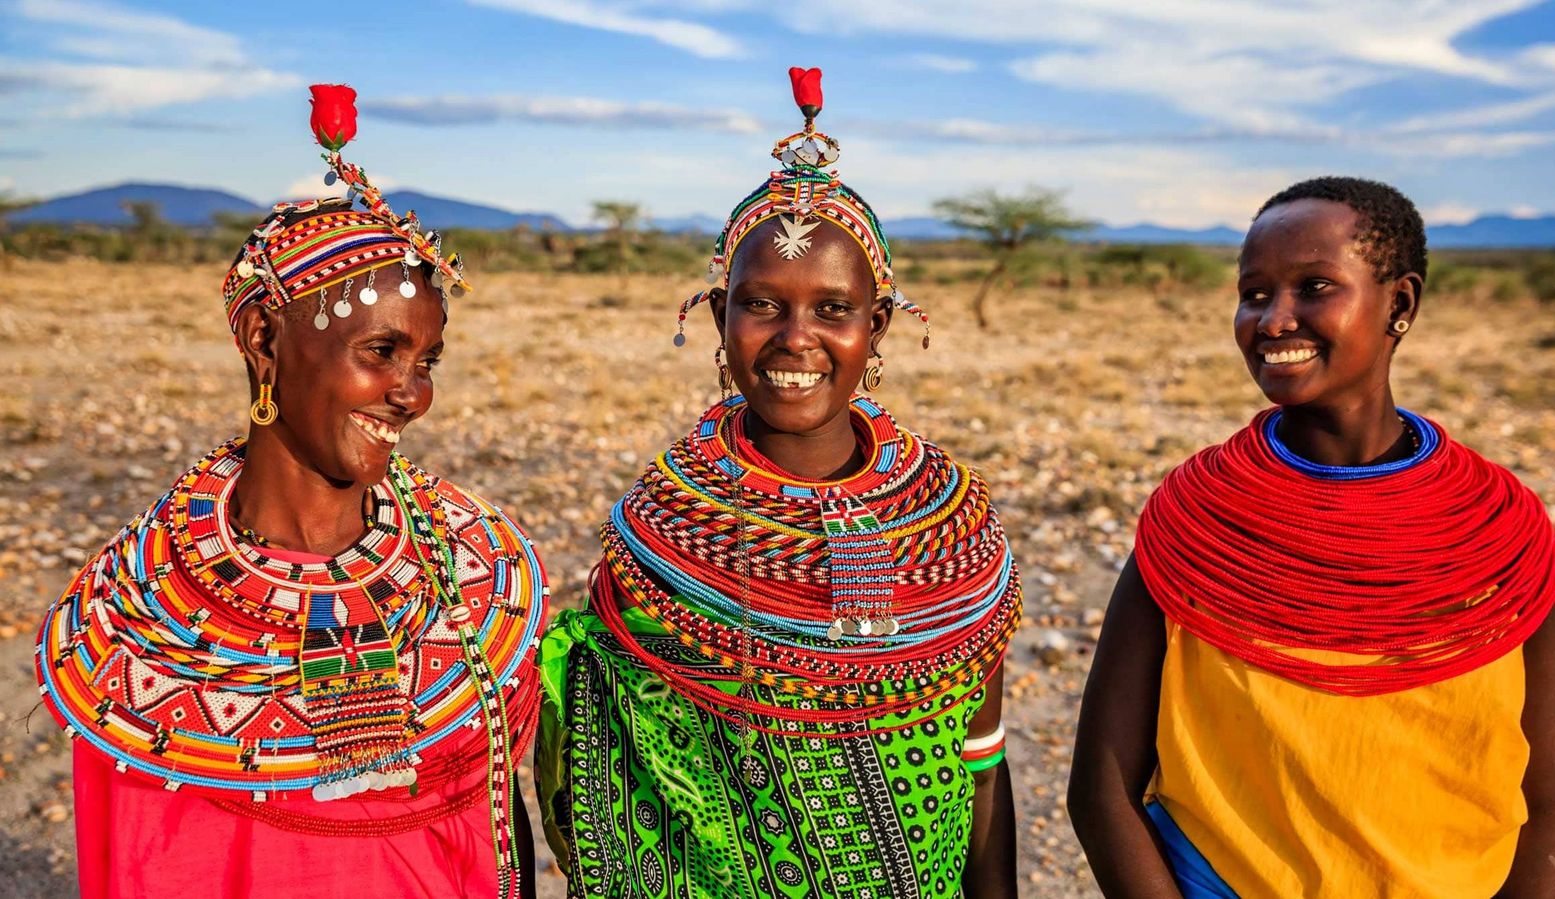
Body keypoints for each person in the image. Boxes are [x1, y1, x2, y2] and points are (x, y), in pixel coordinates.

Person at [35, 84, 548, 899]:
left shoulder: (471, 575)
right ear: (264, 340)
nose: (411, 394)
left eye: (427, 363)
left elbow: (496, 834)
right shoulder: (135, 623)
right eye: (381, 352)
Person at [534, 67, 1021, 899]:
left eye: (832, 309)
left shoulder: (955, 532)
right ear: (720, 317)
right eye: (763, 304)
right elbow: (612, 775)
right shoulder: (661, 537)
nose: (797, 339)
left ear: (877, 327)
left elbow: (982, 769)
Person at [1067, 176, 1555, 898]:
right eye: (1254, 292)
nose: (1273, 320)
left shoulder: (1498, 533)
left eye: (1314, 286)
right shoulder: (1198, 518)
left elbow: (1546, 806)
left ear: (1400, 303)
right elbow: (1101, 789)